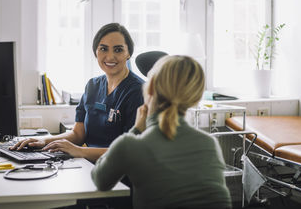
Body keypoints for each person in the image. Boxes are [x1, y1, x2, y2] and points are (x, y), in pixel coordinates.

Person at [91, 55, 232, 209]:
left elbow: (100, 180)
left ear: (149, 89)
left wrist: (136, 129)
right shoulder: (209, 143)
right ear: (194, 98)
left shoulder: (130, 145)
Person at [11, 23, 144, 162]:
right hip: (89, 165)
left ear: (128, 53)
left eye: (118, 50)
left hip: (119, 175)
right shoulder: (93, 86)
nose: (110, 57)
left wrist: (79, 151)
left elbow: (130, 151)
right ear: (95, 52)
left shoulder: (138, 92)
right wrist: (43, 141)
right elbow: (78, 134)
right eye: (103, 49)